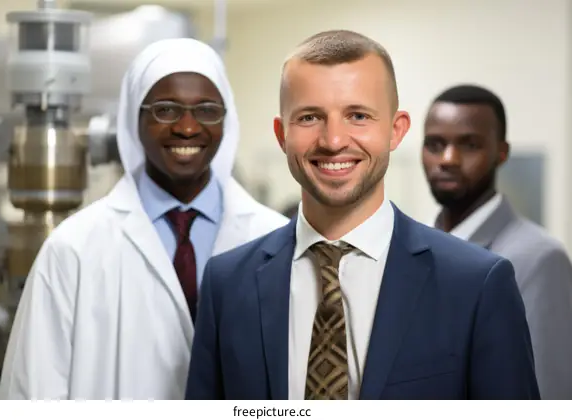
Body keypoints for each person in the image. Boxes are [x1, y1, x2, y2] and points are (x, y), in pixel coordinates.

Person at [185, 30, 540, 400]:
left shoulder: (476, 285)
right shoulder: (226, 284)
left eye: (357, 115)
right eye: (309, 117)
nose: (334, 140)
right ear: (282, 134)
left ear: (395, 131)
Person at [0, 38, 288, 400]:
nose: (186, 127)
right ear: (134, 117)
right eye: (165, 110)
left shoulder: (277, 240)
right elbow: (32, 393)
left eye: (207, 110)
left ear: (226, 120)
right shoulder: (72, 250)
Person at [421, 84, 572, 399]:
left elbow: (546, 395)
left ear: (501, 153)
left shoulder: (540, 258)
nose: (447, 159)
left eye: (470, 145)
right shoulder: (416, 248)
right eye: (435, 144)